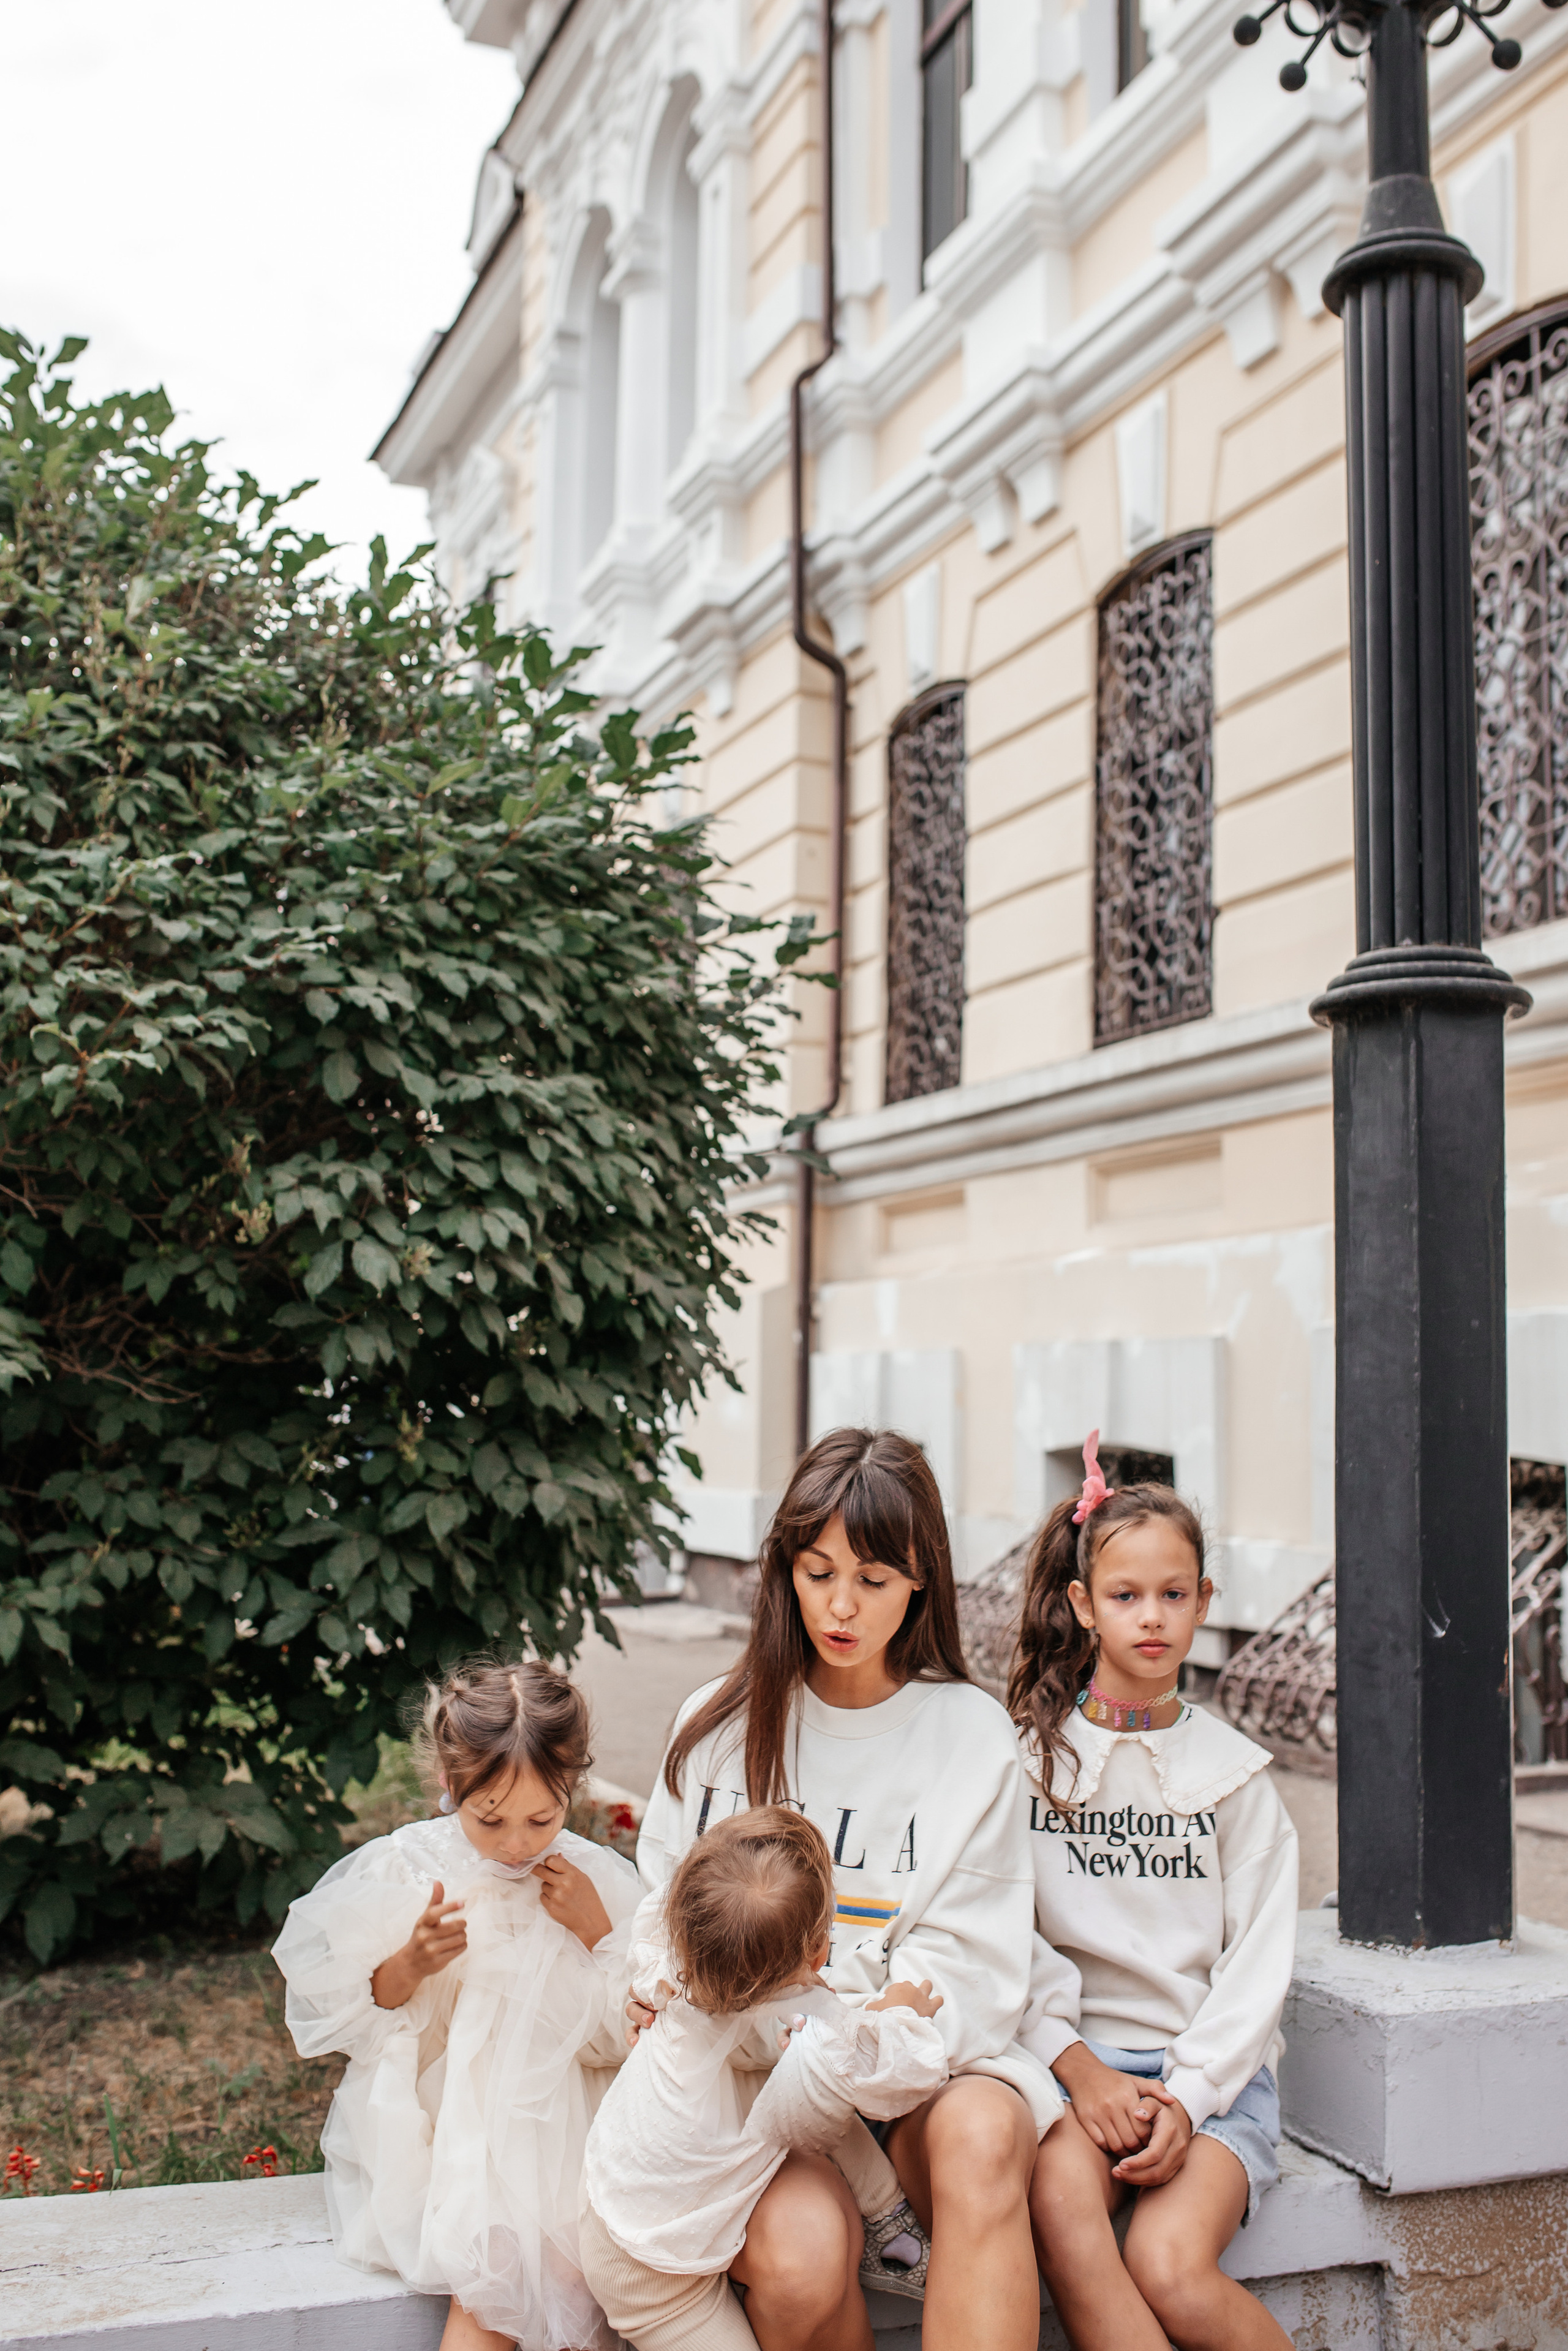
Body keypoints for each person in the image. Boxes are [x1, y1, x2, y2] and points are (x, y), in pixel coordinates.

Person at [636, 1427, 1061, 2351]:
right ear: (785, 1565)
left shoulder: (970, 1734)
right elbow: (665, 1919)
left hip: (911, 2065)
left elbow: (970, 1967)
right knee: (803, 2254)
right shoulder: (715, 1728)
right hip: (742, 2077)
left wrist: (849, 2033)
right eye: (818, 1569)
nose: (840, 1604)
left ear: (920, 1579)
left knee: (988, 2134)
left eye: (872, 1579)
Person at [1013, 1435, 1299, 2351]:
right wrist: (1076, 2065)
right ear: (1083, 1605)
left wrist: (1190, 2094)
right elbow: (1000, 1934)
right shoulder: (1030, 1765)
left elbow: (1259, 1964)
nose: (1152, 1617)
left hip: (1210, 2083)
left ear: (1205, 1602)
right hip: (1076, 2073)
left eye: (1174, 1594)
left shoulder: (1236, 1778)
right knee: (1059, 2200)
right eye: (1126, 1595)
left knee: (1169, 2266)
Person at [273, 1659, 643, 2351]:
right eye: (490, 1818)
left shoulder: (595, 1881)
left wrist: (598, 1933)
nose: (516, 1843)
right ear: (449, 1784)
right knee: (496, 2270)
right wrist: (410, 1960)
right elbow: (356, 2016)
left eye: (541, 1817)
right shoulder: (408, 1868)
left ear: (573, 1787)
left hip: (566, 2123)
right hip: (450, 2128)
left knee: (574, 2268)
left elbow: (627, 2033)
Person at [581, 1808, 951, 2351]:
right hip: (653, 2277)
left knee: (813, 2082)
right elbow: (904, 2071)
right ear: (820, 1950)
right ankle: (889, 2220)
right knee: (825, 2080)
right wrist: (904, 2010)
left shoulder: (672, 1967)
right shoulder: (816, 2028)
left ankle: (886, 2218)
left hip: (632, 2208)